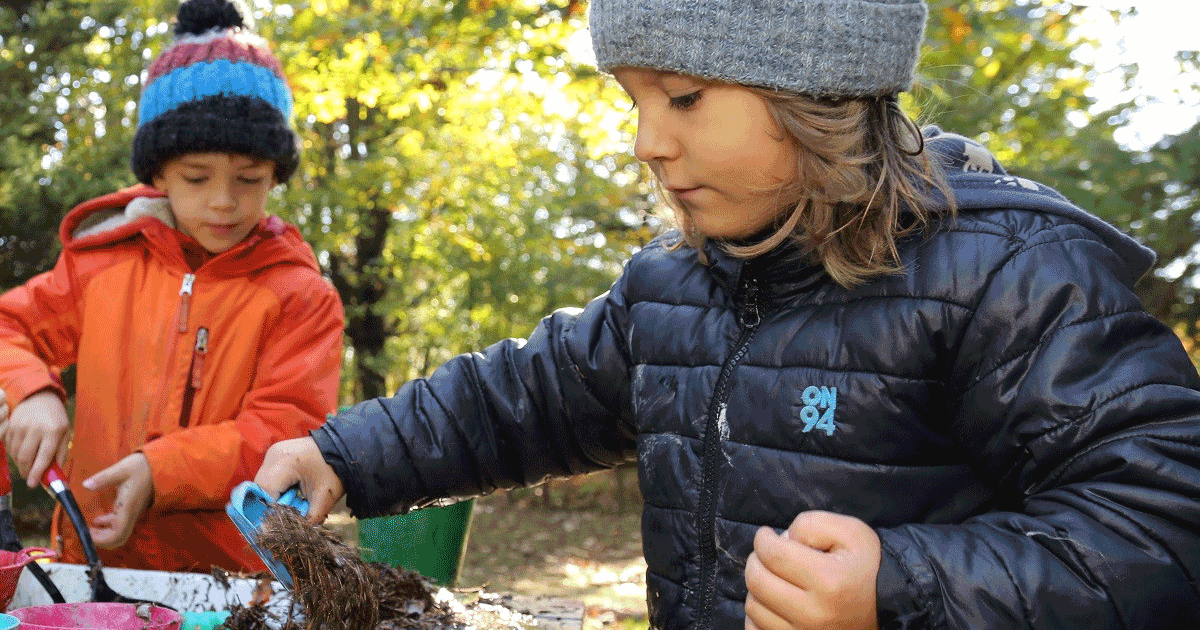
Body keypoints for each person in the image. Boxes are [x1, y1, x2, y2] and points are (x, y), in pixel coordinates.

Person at [254, 0, 1200, 627]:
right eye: (632, 100)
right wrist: (343, 453)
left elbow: (1162, 534)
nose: (646, 143)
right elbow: (520, 400)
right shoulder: (673, 285)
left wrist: (899, 588)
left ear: (815, 92)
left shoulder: (1012, 277)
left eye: (686, 98)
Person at [0, 0, 344, 573]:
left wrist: (164, 471)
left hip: (233, 575)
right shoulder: (101, 265)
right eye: (195, 177)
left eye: (250, 179)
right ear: (157, 173)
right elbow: (11, 326)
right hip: (92, 561)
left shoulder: (300, 297)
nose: (223, 201)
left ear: (276, 175)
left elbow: (283, 432)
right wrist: (32, 390)